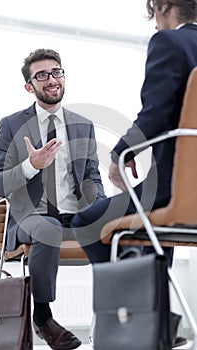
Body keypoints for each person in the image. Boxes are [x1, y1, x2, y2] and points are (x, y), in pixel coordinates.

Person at [71, 1, 197, 347]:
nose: (155, 23)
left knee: (87, 221)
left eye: (154, 13)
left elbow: (155, 113)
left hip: (175, 191)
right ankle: (159, 320)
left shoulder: (169, 42)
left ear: (164, 6)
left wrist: (120, 153)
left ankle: (142, 316)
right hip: (192, 199)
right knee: (148, 229)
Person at [0, 48, 106, 350]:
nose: (51, 79)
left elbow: (92, 177)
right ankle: (43, 317)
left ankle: (134, 316)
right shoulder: (12, 124)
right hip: (32, 217)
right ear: (29, 86)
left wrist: (102, 209)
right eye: (41, 75)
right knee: (48, 228)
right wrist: (32, 165)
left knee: (125, 227)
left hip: (75, 214)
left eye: (56, 72)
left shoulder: (83, 125)